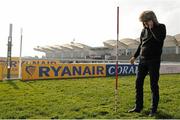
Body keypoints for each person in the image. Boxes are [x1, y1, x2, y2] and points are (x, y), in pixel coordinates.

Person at [128, 10, 166, 116]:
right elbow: (141, 44)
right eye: (143, 22)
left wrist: (151, 28)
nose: (144, 24)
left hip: (154, 61)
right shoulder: (143, 30)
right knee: (138, 83)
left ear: (152, 19)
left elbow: (160, 39)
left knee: (153, 85)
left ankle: (153, 109)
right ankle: (138, 107)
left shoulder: (161, 27)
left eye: (146, 21)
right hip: (142, 60)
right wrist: (134, 56)